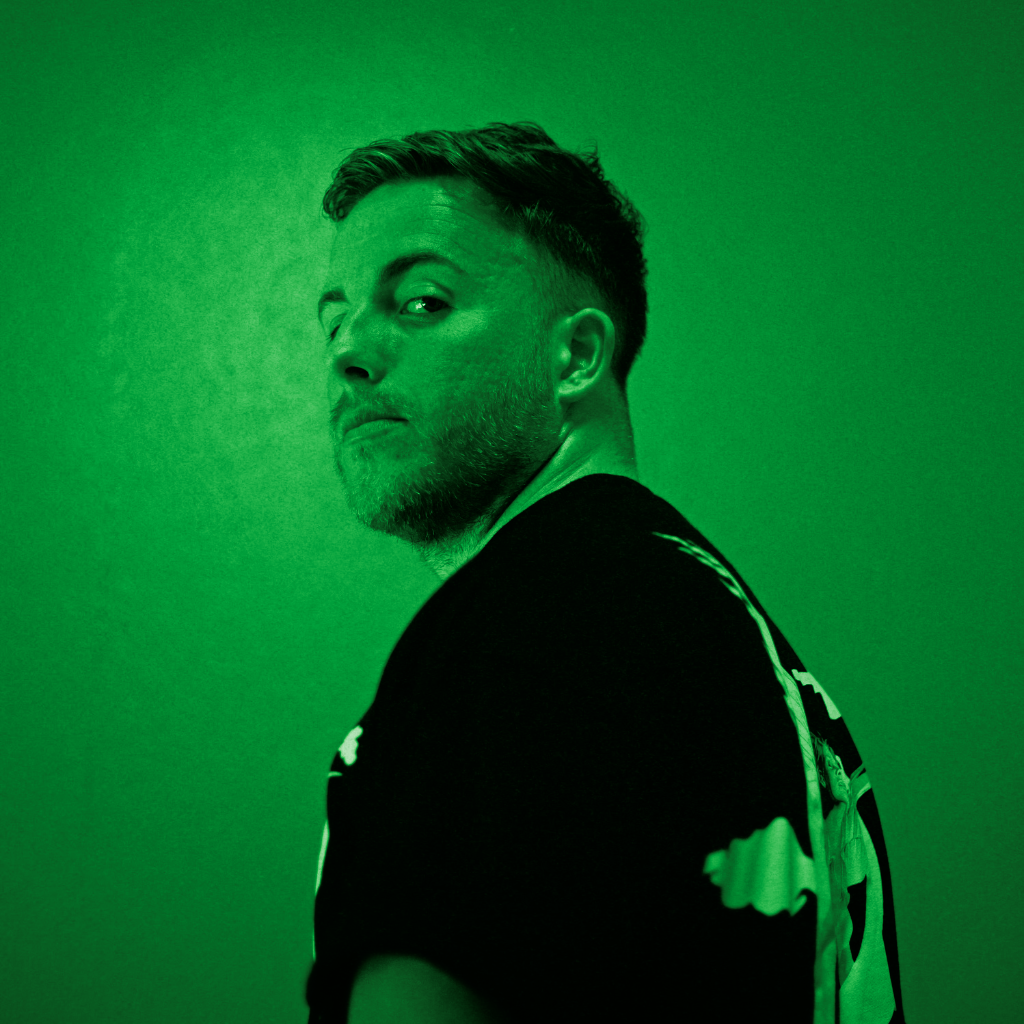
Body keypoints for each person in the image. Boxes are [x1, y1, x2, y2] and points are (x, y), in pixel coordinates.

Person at [305, 122, 904, 1023]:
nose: (349, 351)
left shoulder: (532, 619)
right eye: (334, 318)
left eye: (422, 301)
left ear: (578, 356)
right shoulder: (698, 618)